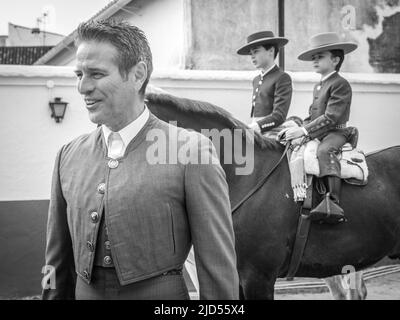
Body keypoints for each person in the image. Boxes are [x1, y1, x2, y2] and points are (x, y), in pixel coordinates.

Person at [42, 20, 239, 300]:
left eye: (96, 74)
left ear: (138, 75)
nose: (82, 87)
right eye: (79, 74)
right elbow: (54, 261)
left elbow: (217, 266)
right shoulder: (68, 156)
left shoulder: (191, 151)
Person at [281, 32, 358, 224]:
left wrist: (305, 131)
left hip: (336, 132)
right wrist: (300, 125)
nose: (314, 61)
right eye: (313, 58)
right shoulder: (320, 85)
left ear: (335, 59)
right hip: (321, 131)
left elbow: (331, 117)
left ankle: (333, 203)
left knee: (325, 151)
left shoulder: (340, 84)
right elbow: (314, 115)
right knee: (296, 148)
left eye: (319, 57)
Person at [237, 31, 292, 137]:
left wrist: (257, 126)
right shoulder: (256, 80)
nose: (252, 56)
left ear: (271, 51)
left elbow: (279, 115)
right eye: (251, 54)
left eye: (256, 51)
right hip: (256, 127)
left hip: (272, 130)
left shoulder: (282, 77)